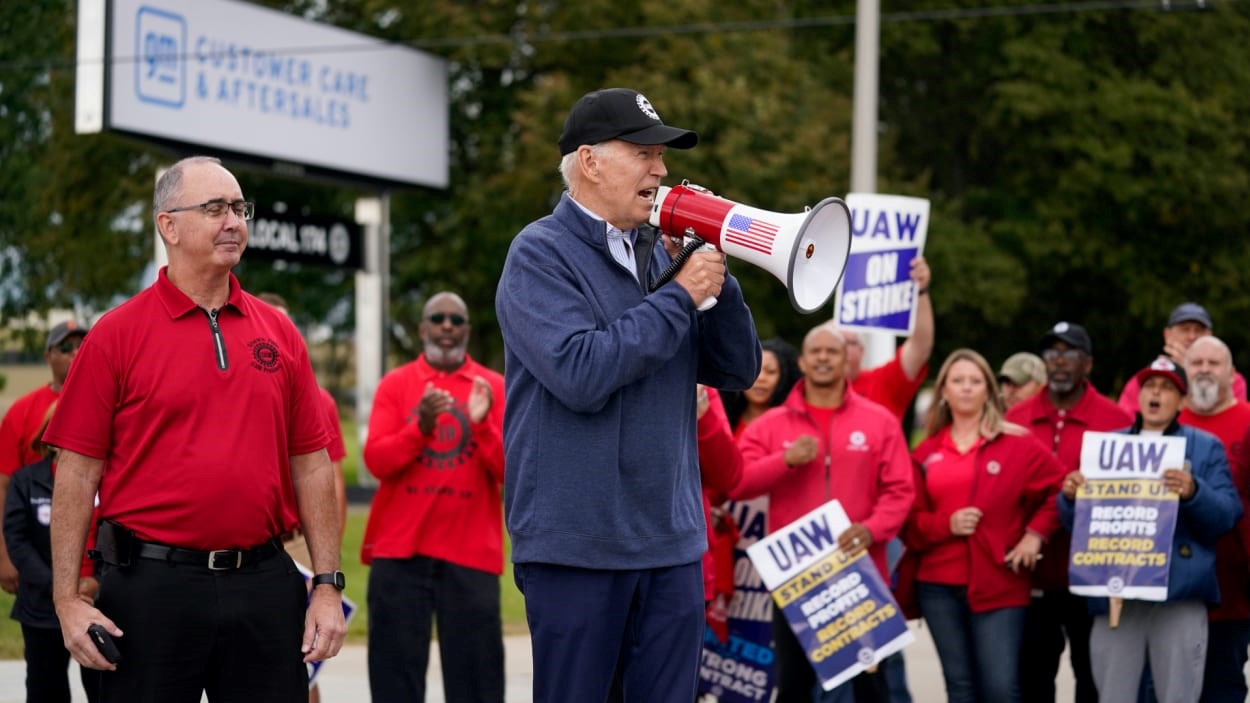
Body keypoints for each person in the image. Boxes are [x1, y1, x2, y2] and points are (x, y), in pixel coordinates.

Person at [44, 155, 345, 702]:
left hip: (263, 583)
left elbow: (312, 461)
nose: (233, 220)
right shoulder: (115, 335)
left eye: (238, 207)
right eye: (214, 208)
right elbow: (76, 471)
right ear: (169, 226)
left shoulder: (279, 332)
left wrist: (326, 585)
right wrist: (66, 599)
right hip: (148, 590)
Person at [495, 87, 761, 703]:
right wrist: (679, 295)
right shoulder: (539, 253)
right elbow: (581, 372)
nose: (661, 170)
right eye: (644, 153)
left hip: (668, 543)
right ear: (590, 162)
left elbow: (738, 368)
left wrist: (714, 270)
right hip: (576, 546)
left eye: (661, 157)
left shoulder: (661, 253)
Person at [732, 322, 914, 702]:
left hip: (860, 573)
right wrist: (785, 460)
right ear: (802, 361)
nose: (824, 358)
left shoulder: (879, 421)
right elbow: (739, 481)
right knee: (795, 685)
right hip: (797, 579)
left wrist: (872, 529)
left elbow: (900, 490)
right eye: (816, 352)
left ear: (847, 360)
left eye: (832, 351)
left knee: (870, 687)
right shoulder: (772, 424)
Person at [1060, 359, 1241, 703]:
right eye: (1149, 386)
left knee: (1179, 695)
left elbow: (1227, 515)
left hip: (1179, 594)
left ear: (1181, 401)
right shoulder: (1104, 447)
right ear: (1139, 395)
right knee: (1114, 694)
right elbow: (1079, 525)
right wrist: (1070, 498)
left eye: (1167, 387)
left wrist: (1194, 492)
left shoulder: (1205, 447)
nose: (1156, 393)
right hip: (1117, 597)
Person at [361, 291, 507, 703]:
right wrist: (419, 428)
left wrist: (481, 426)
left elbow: (511, 471)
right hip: (400, 554)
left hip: (470, 555)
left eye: (456, 320)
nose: (447, 326)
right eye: (437, 318)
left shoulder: (492, 387)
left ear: (467, 331)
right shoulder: (397, 384)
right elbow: (377, 461)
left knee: (478, 684)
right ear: (422, 328)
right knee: (394, 681)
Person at [898, 348, 1066, 703]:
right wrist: (948, 524)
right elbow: (910, 525)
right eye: (957, 381)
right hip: (938, 587)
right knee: (960, 688)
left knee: (1000, 688)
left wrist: (1034, 537)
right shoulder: (925, 452)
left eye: (975, 381)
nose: (966, 388)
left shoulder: (1017, 444)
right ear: (943, 390)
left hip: (1000, 583)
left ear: (989, 390)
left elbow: (1059, 489)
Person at [1006, 322, 1133, 703]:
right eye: (1052, 354)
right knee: (1033, 679)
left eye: (1070, 354)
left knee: (1092, 679)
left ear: (1088, 364)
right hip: (1031, 576)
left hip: (1092, 578)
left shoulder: (1117, 422)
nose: (1059, 362)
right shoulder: (1016, 420)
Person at [258, 291, 349, 703]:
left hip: (297, 538)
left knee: (303, 663)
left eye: (285, 322)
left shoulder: (320, 398)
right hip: (256, 537)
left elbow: (329, 476)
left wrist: (324, 562)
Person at [4, 402, 101, 703]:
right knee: (46, 691)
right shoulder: (26, 481)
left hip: (103, 606)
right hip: (42, 609)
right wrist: (62, 587)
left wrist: (98, 584)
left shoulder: (109, 478)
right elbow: (17, 540)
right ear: (49, 433)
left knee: (107, 691)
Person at [1177, 337, 1250, 703]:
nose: (1204, 369)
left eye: (1214, 363)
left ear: (1231, 373)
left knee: (1223, 685)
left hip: (1232, 586)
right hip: (1173, 586)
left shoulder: (1248, 419)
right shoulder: (1166, 424)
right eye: (1196, 362)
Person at [0, 320, 89, 595]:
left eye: (82, 345)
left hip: (94, 554)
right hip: (37, 550)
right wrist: (3, 555)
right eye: (65, 347)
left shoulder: (109, 404)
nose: (75, 352)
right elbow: (2, 485)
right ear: (47, 356)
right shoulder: (23, 410)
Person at [840, 256, 934, 422]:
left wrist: (919, 291)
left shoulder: (883, 382)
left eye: (850, 343)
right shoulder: (806, 390)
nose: (843, 349)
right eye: (836, 343)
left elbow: (920, 347)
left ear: (862, 351)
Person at [1117, 303, 1247, 415]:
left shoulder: (1230, 378)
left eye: (1199, 330)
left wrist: (1188, 370)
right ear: (1167, 335)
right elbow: (1130, 423)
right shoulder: (1145, 380)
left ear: (1209, 335)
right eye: (1184, 329)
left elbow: (1229, 417)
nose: (1191, 336)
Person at [720, 337, 802, 437]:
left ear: (785, 377)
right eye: (754, 371)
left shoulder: (796, 424)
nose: (761, 378)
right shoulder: (722, 420)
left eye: (770, 371)